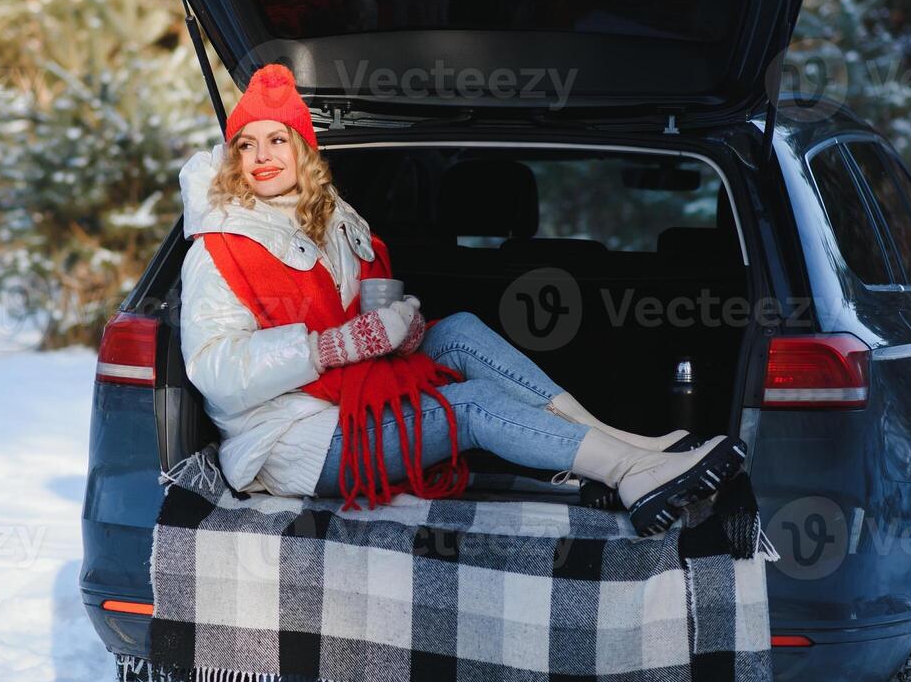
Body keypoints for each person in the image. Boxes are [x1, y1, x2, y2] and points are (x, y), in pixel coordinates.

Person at [177, 63, 745, 530]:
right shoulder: (220, 248)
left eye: (277, 139)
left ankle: (635, 448)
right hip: (291, 440)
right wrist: (334, 346)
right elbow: (214, 370)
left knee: (460, 331)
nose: (262, 156)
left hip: (349, 397)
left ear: (305, 151)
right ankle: (628, 471)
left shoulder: (329, 224)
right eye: (246, 144)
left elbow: (359, 325)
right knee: (470, 405)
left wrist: (396, 332)